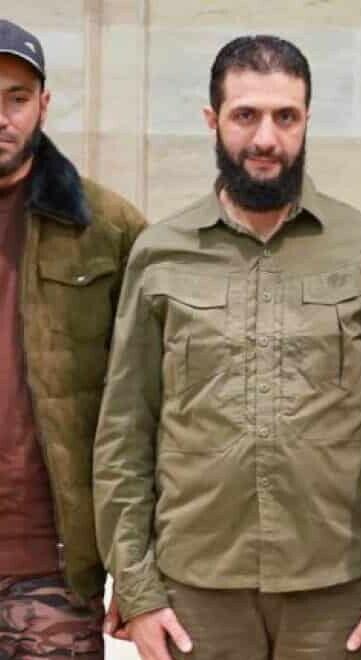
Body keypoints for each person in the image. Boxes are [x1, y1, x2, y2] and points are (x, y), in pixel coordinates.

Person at [92, 35, 361, 660]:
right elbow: (125, 430)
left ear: (307, 120)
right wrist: (136, 587)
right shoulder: (161, 253)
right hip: (195, 589)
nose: (266, 139)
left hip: (338, 589)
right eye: (245, 115)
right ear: (212, 119)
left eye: (286, 116)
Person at [0, 17, 146, 659]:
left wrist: (137, 569)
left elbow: (152, 405)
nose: (1, 117)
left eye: (17, 98)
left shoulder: (106, 227)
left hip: (53, 568)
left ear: (44, 104)